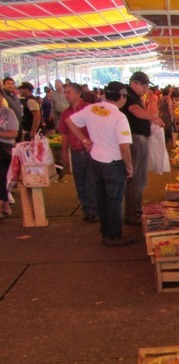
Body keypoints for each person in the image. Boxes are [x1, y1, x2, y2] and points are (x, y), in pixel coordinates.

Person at [65, 81, 134, 247]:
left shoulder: (92, 109)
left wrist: (84, 140)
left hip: (96, 161)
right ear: (122, 96)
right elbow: (124, 146)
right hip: (113, 163)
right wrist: (130, 167)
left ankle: (105, 231)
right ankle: (114, 235)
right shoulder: (119, 117)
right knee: (115, 200)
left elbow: (69, 121)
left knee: (102, 199)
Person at [120, 71, 164, 225]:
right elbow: (134, 110)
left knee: (133, 178)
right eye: (144, 85)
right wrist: (153, 117)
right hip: (136, 139)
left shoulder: (130, 95)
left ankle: (131, 212)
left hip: (134, 138)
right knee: (138, 178)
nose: (146, 89)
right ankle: (134, 215)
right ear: (135, 83)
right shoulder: (130, 96)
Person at [59, 82, 97, 222]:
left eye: (68, 92)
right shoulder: (65, 113)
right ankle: (86, 209)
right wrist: (64, 151)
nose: (66, 95)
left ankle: (94, 210)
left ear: (78, 93)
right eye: (65, 92)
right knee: (80, 182)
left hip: (91, 151)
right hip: (75, 152)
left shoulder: (90, 109)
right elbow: (65, 133)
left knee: (92, 182)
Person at [0, 102, 18, 218]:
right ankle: (5, 204)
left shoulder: (8, 113)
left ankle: (4, 205)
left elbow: (13, 133)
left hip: (3, 149)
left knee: (1, 178)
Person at [159, 85, 176, 149]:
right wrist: (172, 117)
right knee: (170, 131)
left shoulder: (162, 98)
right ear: (169, 92)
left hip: (163, 116)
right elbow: (170, 109)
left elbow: (159, 108)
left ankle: (165, 145)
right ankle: (171, 146)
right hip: (168, 116)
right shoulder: (168, 99)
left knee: (165, 130)